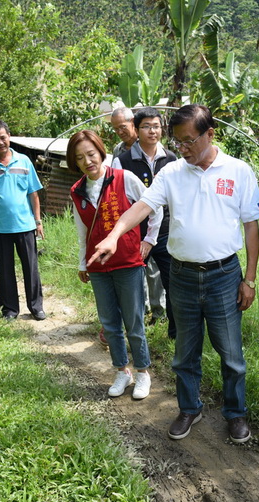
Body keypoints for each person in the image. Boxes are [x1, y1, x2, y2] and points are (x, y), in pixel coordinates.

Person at [89, 104, 259, 444]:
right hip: (182, 276)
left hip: (224, 275)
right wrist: (114, 235)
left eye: (188, 141)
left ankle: (235, 413)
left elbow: (251, 227)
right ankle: (189, 408)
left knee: (231, 354)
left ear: (210, 134)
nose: (182, 149)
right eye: (178, 142)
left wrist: (250, 279)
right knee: (185, 352)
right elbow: (142, 207)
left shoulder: (238, 170)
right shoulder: (172, 173)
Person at [68, 130, 162, 400]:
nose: (87, 161)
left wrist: (149, 240)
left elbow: (154, 207)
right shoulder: (77, 191)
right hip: (98, 266)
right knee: (109, 323)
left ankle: (143, 372)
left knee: (134, 322)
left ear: (101, 152)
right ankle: (122, 371)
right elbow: (82, 231)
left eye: (91, 154)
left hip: (128, 262)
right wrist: (83, 263)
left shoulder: (124, 178)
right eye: (80, 158)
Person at [112, 106, 177, 338]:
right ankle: (132, 332)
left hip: (166, 232)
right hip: (135, 234)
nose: (152, 131)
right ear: (136, 129)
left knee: (173, 283)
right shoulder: (122, 161)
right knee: (131, 286)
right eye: (146, 126)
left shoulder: (171, 159)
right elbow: (117, 198)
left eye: (156, 126)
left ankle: (175, 333)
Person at [0, 120, 46, 321]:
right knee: (4, 270)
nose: (0, 142)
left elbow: (33, 193)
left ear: (9, 136)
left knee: (31, 268)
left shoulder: (24, 161)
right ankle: (9, 309)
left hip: (25, 225)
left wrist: (38, 221)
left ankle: (36, 307)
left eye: (3, 138)